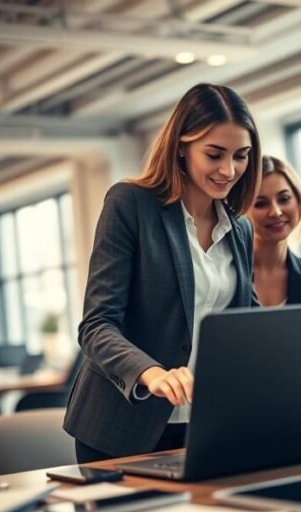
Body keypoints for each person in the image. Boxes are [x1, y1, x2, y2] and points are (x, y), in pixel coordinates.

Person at [64, 83, 261, 463]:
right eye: (214, 154)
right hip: (122, 426)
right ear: (182, 147)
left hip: (205, 423)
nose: (229, 170)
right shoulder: (130, 204)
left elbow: (247, 328)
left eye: (241, 156)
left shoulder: (240, 229)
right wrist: (152, 373)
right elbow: (97, 325)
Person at [249, 155, 301, 305]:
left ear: (299, 201)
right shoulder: (226, 275)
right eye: (261, 204)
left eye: (284, 199)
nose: (276, 212)